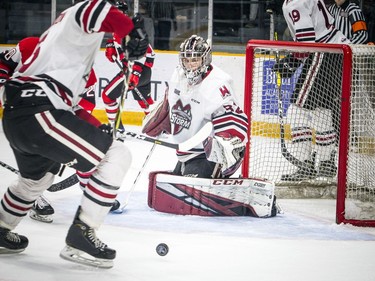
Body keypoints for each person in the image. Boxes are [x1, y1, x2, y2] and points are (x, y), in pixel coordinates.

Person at [0, 0, 148, 269]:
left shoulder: (69, 51)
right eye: (119, 12)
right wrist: (129, 31)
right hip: (38, 113)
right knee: (117, 156)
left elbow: (72, 109)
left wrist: (92, 127)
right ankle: (82, 232)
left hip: (21, 118)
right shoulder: (75, 18)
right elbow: (96, 9)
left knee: (35, 180)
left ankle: (1, 227)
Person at [0, 37, 120, 224]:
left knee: (44, 170)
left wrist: (93, 129)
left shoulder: (86, 74)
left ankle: (87, 188)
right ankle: (33, 198)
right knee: (36, 168)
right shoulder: (31, 46)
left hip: (51, 122)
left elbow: (80, 110)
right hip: (21, 116)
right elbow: (4, 62)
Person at [142, 35, 248, 179]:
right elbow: (170, 104)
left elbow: (233, 120)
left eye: (195, 60)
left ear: (205, 59)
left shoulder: (217, 84)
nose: (190, 64)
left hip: (207, 157)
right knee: (172, 194)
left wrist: (227, 143)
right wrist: (162, 118)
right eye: (186, 60)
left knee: (186, 196)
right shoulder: (178, 76)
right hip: (184, 154)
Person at [271, 0, 351, 181]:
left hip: (324, 52)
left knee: (297, 110)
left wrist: (291, 63)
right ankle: (326, 162)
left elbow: (308, 41)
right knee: (322, 111)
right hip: (338, 52)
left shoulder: (296, 3)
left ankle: (304, 163)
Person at [103, 1, 155, 132]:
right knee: (145, 102)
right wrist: (111, 45)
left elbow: (148, 52)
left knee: (107, 96)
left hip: (135, 71)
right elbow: (118, 41)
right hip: (143, 72)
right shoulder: (119, 30)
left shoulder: (129, 29)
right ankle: (160, 127)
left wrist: (136, 73)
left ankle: (116, 128)